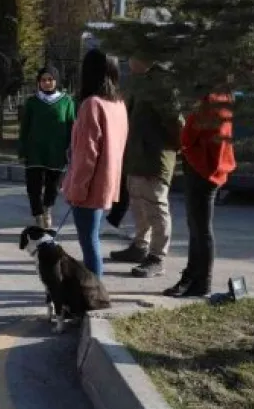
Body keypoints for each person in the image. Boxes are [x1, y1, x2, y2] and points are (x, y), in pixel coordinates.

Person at [108, 56, 183, 278]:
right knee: (138, 204)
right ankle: (140, 246)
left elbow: (175, 121)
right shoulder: (139, 81)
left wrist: (175, 146)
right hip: (136, 156)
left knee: (156, 207)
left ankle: (157, 256)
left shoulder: (160, 83)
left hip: (154, 157)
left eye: (133, 55)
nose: (129, 61)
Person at [61, 49, 128, 279]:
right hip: (107, 183)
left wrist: (77, 189)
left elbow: (86, 155)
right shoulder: (118, 104)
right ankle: (94, 288)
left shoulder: (92, 104)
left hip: (89, 186)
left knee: (89, 244)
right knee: (93, 240)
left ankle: (93, 292)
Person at [164, 90, 236, 297]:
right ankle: (194, 277)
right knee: (199, 227)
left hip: (202, 169)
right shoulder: (224, 97)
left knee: (200, 229)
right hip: (211, 169)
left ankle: (200, 280)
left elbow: (187, 136)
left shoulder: (210, 100)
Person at [18, 66, 76, 228]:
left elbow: (72, 125)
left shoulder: (66, 101)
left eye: (50, 79)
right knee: (33, 186)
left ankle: (47, 209)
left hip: (57, 151)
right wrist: (22, 149)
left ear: (56, 81)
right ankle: (37, 214)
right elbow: (25, 127)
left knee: (53, 185)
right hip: (35, 150)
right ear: (39, 82)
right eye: (43, 80)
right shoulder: (32, 102)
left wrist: (72, 148)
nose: (47, 83)